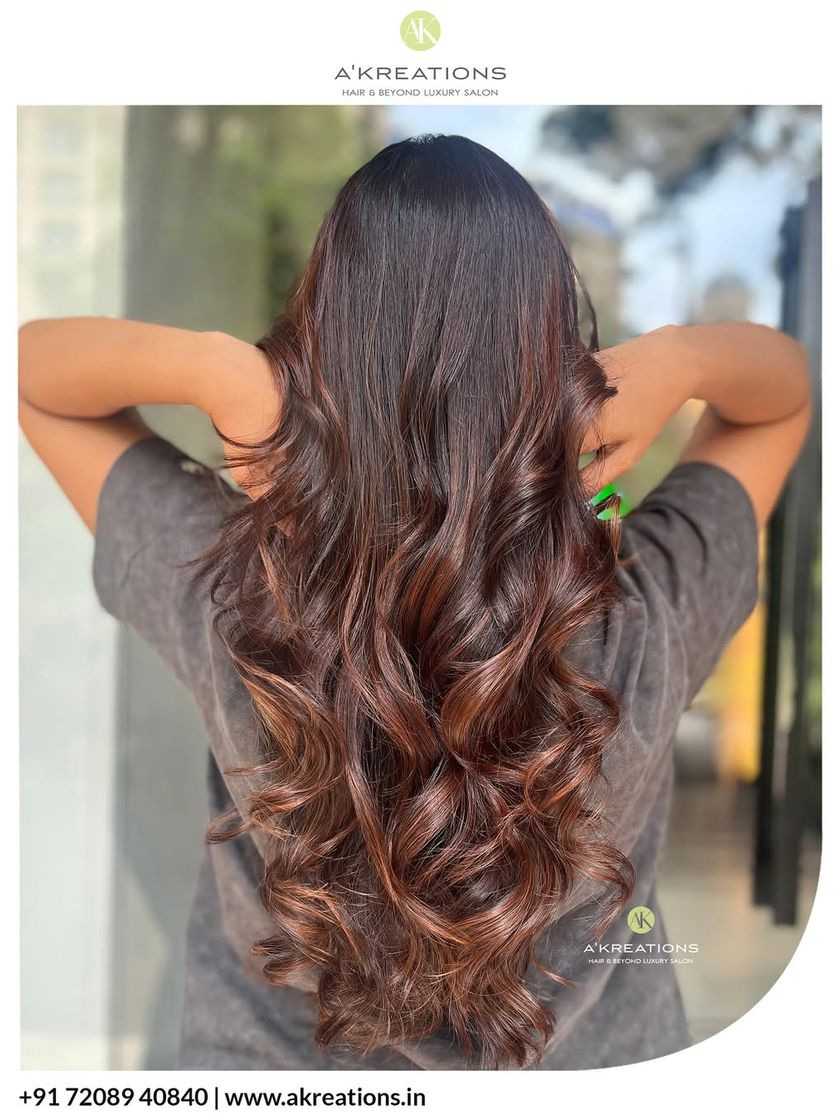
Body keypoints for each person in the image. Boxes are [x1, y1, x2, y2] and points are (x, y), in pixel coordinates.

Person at [18, 134, 812, 1072]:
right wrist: (681, 359)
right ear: (559, 366)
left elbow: (35, 375)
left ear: (319, 351)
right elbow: (783, 397)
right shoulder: (644, 610)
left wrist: (217, 370)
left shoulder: (237, 589)